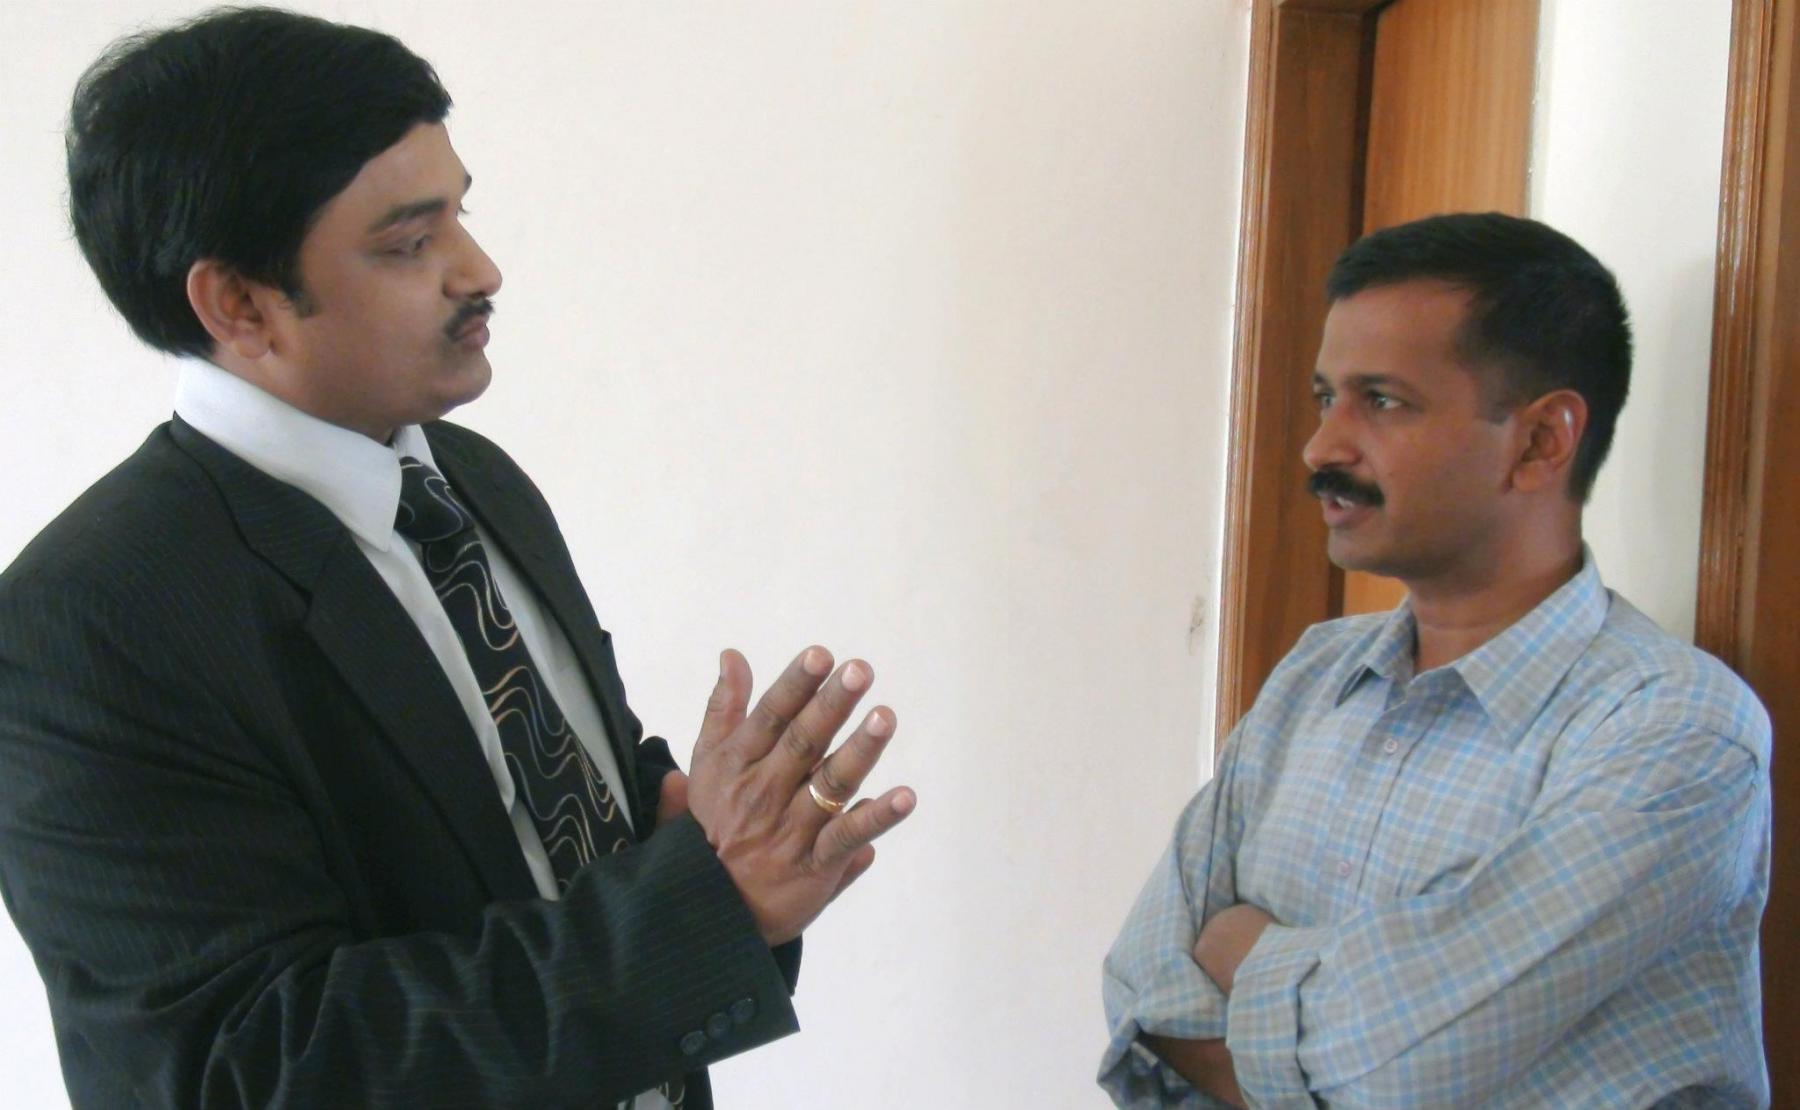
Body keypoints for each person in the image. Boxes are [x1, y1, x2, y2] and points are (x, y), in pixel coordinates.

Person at [0, 8, 915, 1108]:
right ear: (239, 303)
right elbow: (244, 1072)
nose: (481, 271)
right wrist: (695, 914)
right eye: (408, 243)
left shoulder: (472, 480)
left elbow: (556, 834)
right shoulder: (84, 624)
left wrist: (706, 845)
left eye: (461, 214)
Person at [1100, 213, 1771, 1108]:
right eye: (1325, 397)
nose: (1321, 447)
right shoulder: (1316, 675)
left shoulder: (1674, 730)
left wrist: (1242, 949)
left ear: (1540, 441)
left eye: (1381, 401)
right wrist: (1333, 1033)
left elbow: (1392, 1069)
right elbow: (1141, 987)